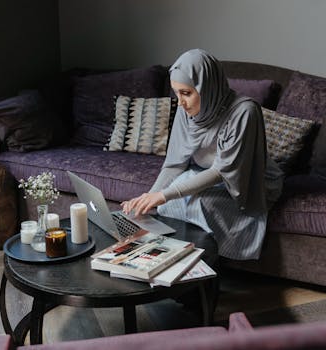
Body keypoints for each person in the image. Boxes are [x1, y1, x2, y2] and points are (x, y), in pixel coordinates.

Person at [122, 49, 284, 260]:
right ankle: (177, 260)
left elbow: (221, 171)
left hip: (245, 179)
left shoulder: (245, 112)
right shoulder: (185, 109)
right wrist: (149, 198)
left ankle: (207, 264)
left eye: (186, 93)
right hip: (206, 171)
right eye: (176, 92)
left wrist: (164, 195)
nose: (180, 102)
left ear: (207, 87)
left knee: (199, 204)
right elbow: (174, 164)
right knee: (171, 202)